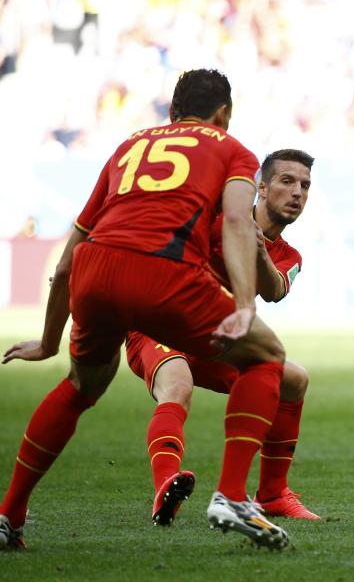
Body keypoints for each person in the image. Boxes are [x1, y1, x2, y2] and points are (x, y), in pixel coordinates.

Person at [0, 69, 290, 550]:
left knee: (81, 385)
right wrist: (243, 303)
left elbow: (72, 251)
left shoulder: (129, 146)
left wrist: (49, 341)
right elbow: (237, 219)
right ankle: (234, 496)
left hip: (95, 270)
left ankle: (9, 515)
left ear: (172, 113)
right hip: (164, 269)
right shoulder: (232, 149)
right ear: (224, 114)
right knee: (265, 355)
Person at [126, 148, 318, 526]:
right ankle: (166, 486)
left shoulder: (290, 254)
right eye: (287, 181)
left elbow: (274, 289)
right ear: (261, 188)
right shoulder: (219, 218)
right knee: (177, 383)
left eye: (305, 185)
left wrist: (257, 245)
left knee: (294, 379)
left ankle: (273, 494)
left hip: (213, 338)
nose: (297, 192)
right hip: (159, 325)